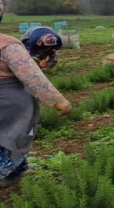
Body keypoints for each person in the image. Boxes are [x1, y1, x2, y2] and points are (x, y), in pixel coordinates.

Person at [1, 33, 72, 187]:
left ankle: (17, 170)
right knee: (18, 133)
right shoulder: (7, 45)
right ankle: (6, 173)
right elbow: (33, 76)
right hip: (9, 101)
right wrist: (59, 101)